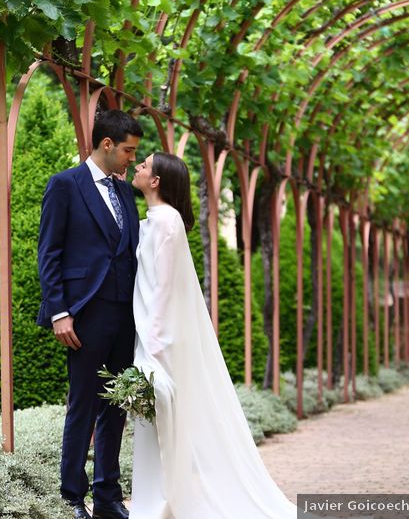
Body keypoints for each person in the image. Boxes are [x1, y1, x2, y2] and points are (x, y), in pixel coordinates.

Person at [128, 153, 299, 518]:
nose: (138, 168)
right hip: (149, 333)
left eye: (143, 165)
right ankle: (158, 500)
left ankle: (164, 503)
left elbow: (165, 287)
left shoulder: (168, 222)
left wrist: (154, 344)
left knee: (164, 422)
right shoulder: (155, 220)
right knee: (154, 423)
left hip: (160, 339)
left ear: (155, 181)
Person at [37, 109, 144, 519]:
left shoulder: (125, 193)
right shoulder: (65, 185)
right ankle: (71, 497)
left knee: (117, 403)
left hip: (125, 314)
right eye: (128, 151)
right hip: (83, 314)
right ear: (106, 145)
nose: (131, 159)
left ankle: (108, 497)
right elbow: (50, 254)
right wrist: (59, 312)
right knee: (83, 403)